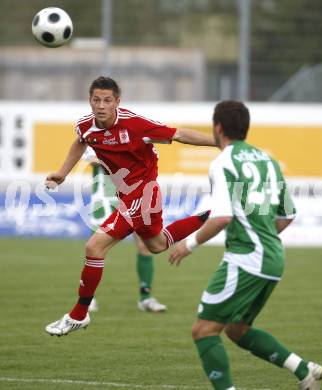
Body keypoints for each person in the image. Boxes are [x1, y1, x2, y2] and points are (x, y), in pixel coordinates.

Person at [169, 101, 322, 390]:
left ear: (218, 128)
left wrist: (187, 244)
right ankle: (304, 371)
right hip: (273, 258)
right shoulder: (268, 160)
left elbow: (221, 217)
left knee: (204, 331)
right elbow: (288, 214)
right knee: (237, 329)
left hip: (247, 258)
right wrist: (263, 235)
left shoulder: (222, 163)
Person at [45, 76, 213, 336]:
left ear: (117, 102)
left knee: (94, 246)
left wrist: (219, 142)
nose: (101, 105)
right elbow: (80, 142)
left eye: (107, 100)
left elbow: (179, 134)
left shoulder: (135, 124)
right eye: (96, 100)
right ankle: (213, 215)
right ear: (90, 101)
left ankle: (78, 314)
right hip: (130, 196)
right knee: (157, 245)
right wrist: (63, 172)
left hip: (144, 193)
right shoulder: (85, 126)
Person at [82, 147, 166, 312]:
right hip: (106, 196)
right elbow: (90, 159)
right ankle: (88, 298)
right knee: (95, 248)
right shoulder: (95, 133)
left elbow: (152, 154)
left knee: (144, 245)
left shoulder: (135, 132)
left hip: (135, 192)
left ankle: (146, 297)